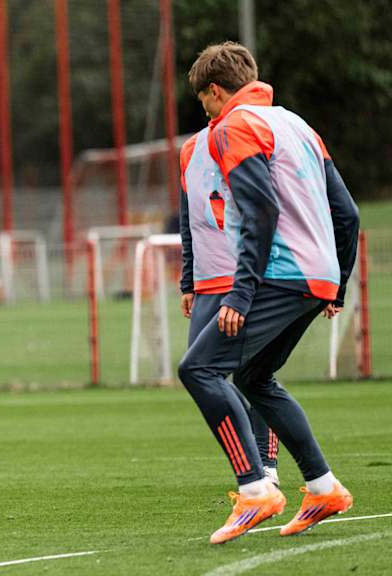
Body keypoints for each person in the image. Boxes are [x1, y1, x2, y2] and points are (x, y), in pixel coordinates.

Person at [178, 42, 359, 544]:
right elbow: (347, 213)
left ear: (216, 91)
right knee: (255, 377)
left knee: (199, 370)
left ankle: (256, 489)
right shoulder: (296, 124)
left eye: (204, 100)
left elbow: (260, 213)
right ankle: (323, 488)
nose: (206, 112)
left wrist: (240, 294)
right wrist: (337, 283)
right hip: (317, 276)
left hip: (278, 274)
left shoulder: (235, 126)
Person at [177, 126, 281, 487]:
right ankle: (253, 453)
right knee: (199, 372)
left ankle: (266, 465)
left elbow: (271, 209)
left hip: (246, 280)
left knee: (254, 374)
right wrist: (188, 281)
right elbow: (188, 219)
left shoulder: (250, 139)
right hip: (207, 284)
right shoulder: (189, 150)